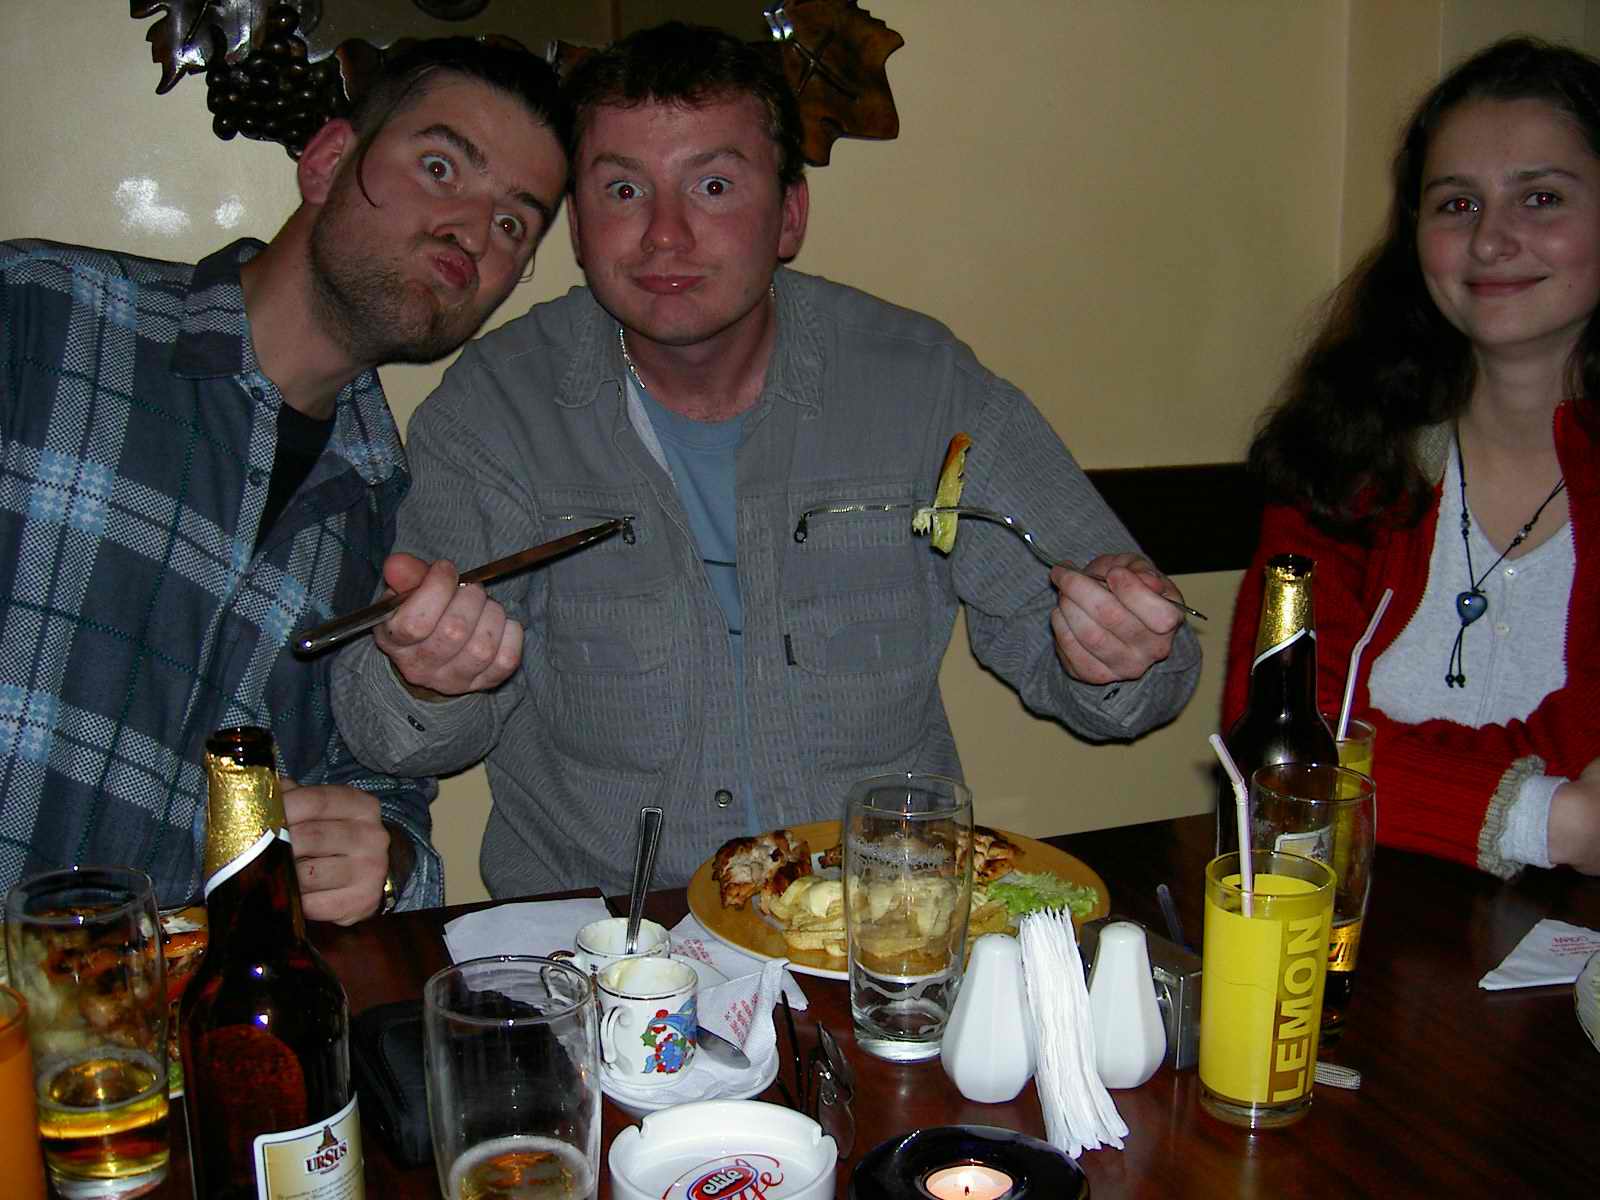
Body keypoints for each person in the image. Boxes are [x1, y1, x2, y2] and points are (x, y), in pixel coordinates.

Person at [331, 22, 1202, 897]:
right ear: (580, 229)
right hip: (606, 939)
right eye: (624, 190)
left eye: (713, 186)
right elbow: (386, 733)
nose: (665, 235)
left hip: (876, 921)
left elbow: (1134, 674)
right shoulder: (497, 410)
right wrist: (430, 682)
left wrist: (1121, 653)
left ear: (789, 215)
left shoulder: (925, 387)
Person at [0, 38, 571, 920]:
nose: (470, 229)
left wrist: (382, 868)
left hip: (177, 1002)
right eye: (439, 167)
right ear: (328, 161)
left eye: (512, 225)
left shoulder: (389, 512)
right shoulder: (40, 318)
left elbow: (383, 803)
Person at [1224, 37, 1600, 879]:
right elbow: (1278, 752)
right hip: (1347, 923)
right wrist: (1559, 819)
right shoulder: (1339, 454)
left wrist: (1393, 776)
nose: (1492, 241)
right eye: (1457, 204)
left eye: (1541, 198)